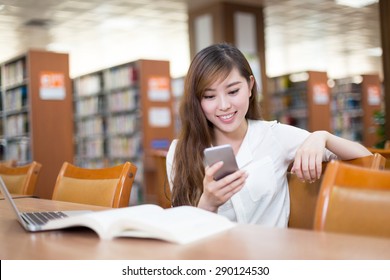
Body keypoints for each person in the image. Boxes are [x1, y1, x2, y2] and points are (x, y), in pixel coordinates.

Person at [166, 42, 372, 227]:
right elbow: (184, 232)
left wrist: (322, 136)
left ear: (250, 86)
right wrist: (208, 203)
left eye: (233, 91)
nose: (224, 105)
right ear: (197, 100)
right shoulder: (179, 152)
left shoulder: (274, 135)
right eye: (209, 96)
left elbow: (366, 158)